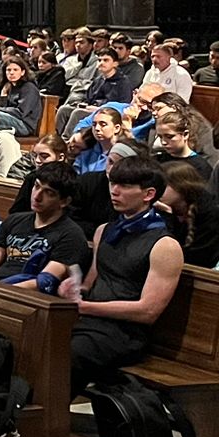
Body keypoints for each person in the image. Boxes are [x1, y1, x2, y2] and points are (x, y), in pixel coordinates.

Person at [66, 156, 186, 391]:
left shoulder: (165, 245)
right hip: (88, 320)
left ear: (149, 194)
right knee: (35, 343)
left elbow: (147, 311)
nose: (114, 191)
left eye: (125, 186)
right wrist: (73, 289)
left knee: (66, 356)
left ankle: (48, 422)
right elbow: (92, 281)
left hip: (123, 334)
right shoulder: (104, 231)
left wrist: (85, 307)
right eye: (113, 183)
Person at [0, 163, 85, 289]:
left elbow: (44, 281)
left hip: (25, 296)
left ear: (64, 201)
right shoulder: (14, 220)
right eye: (36, 186)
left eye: (48, 192)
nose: (37, 196)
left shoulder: (71, 235)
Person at [0, 55, 44, 136]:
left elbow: (21, 112)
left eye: (15, 70)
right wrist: (3, 95)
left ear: (22, 72)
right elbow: (3, 106)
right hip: (11, 119)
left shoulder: (29, 87)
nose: (11, 73)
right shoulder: (10, 86)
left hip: (24, 125)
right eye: (8, 70)